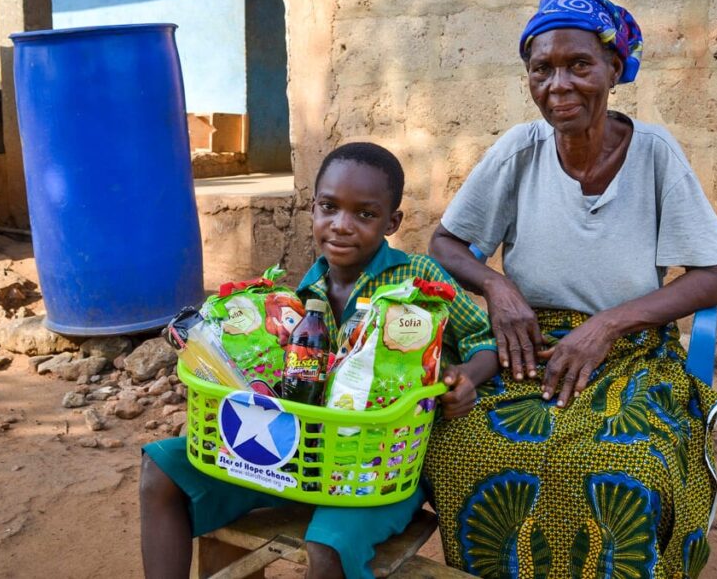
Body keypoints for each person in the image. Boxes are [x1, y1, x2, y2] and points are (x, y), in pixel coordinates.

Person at [422, 0, 717, 578]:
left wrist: (609, 323)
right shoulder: (520, 149)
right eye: (541, 69)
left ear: (615, 68)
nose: (558, 85)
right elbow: (444, 244)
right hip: (528, 353)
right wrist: (498, 289)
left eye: (579, 65)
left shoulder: (654, 154)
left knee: (628, 468)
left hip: (630, 356)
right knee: (461, 446)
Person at [139, 142, 498, 579]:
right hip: (304, 456)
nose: (341, 226)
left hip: (380, 469)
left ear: (392, 222)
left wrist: (465, 378)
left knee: (327, 547)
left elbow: (486, 342)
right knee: (163, 469)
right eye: (329, 207)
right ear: (313, 209)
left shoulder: (421, 277)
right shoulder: (305, 292)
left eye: (365, 214)